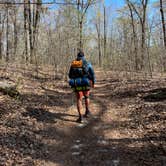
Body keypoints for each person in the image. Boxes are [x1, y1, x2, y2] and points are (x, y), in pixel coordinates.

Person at [68, 51, 95, 123]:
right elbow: (92, 74)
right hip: (86, 83)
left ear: (77, 56)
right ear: (84, 56)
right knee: (86, 97)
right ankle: (87, 112)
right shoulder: (87, 63)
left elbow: (70, 75)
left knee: (79, 99)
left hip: (77, 84)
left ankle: (80, 118)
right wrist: (93, 82)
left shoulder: (73, 64)